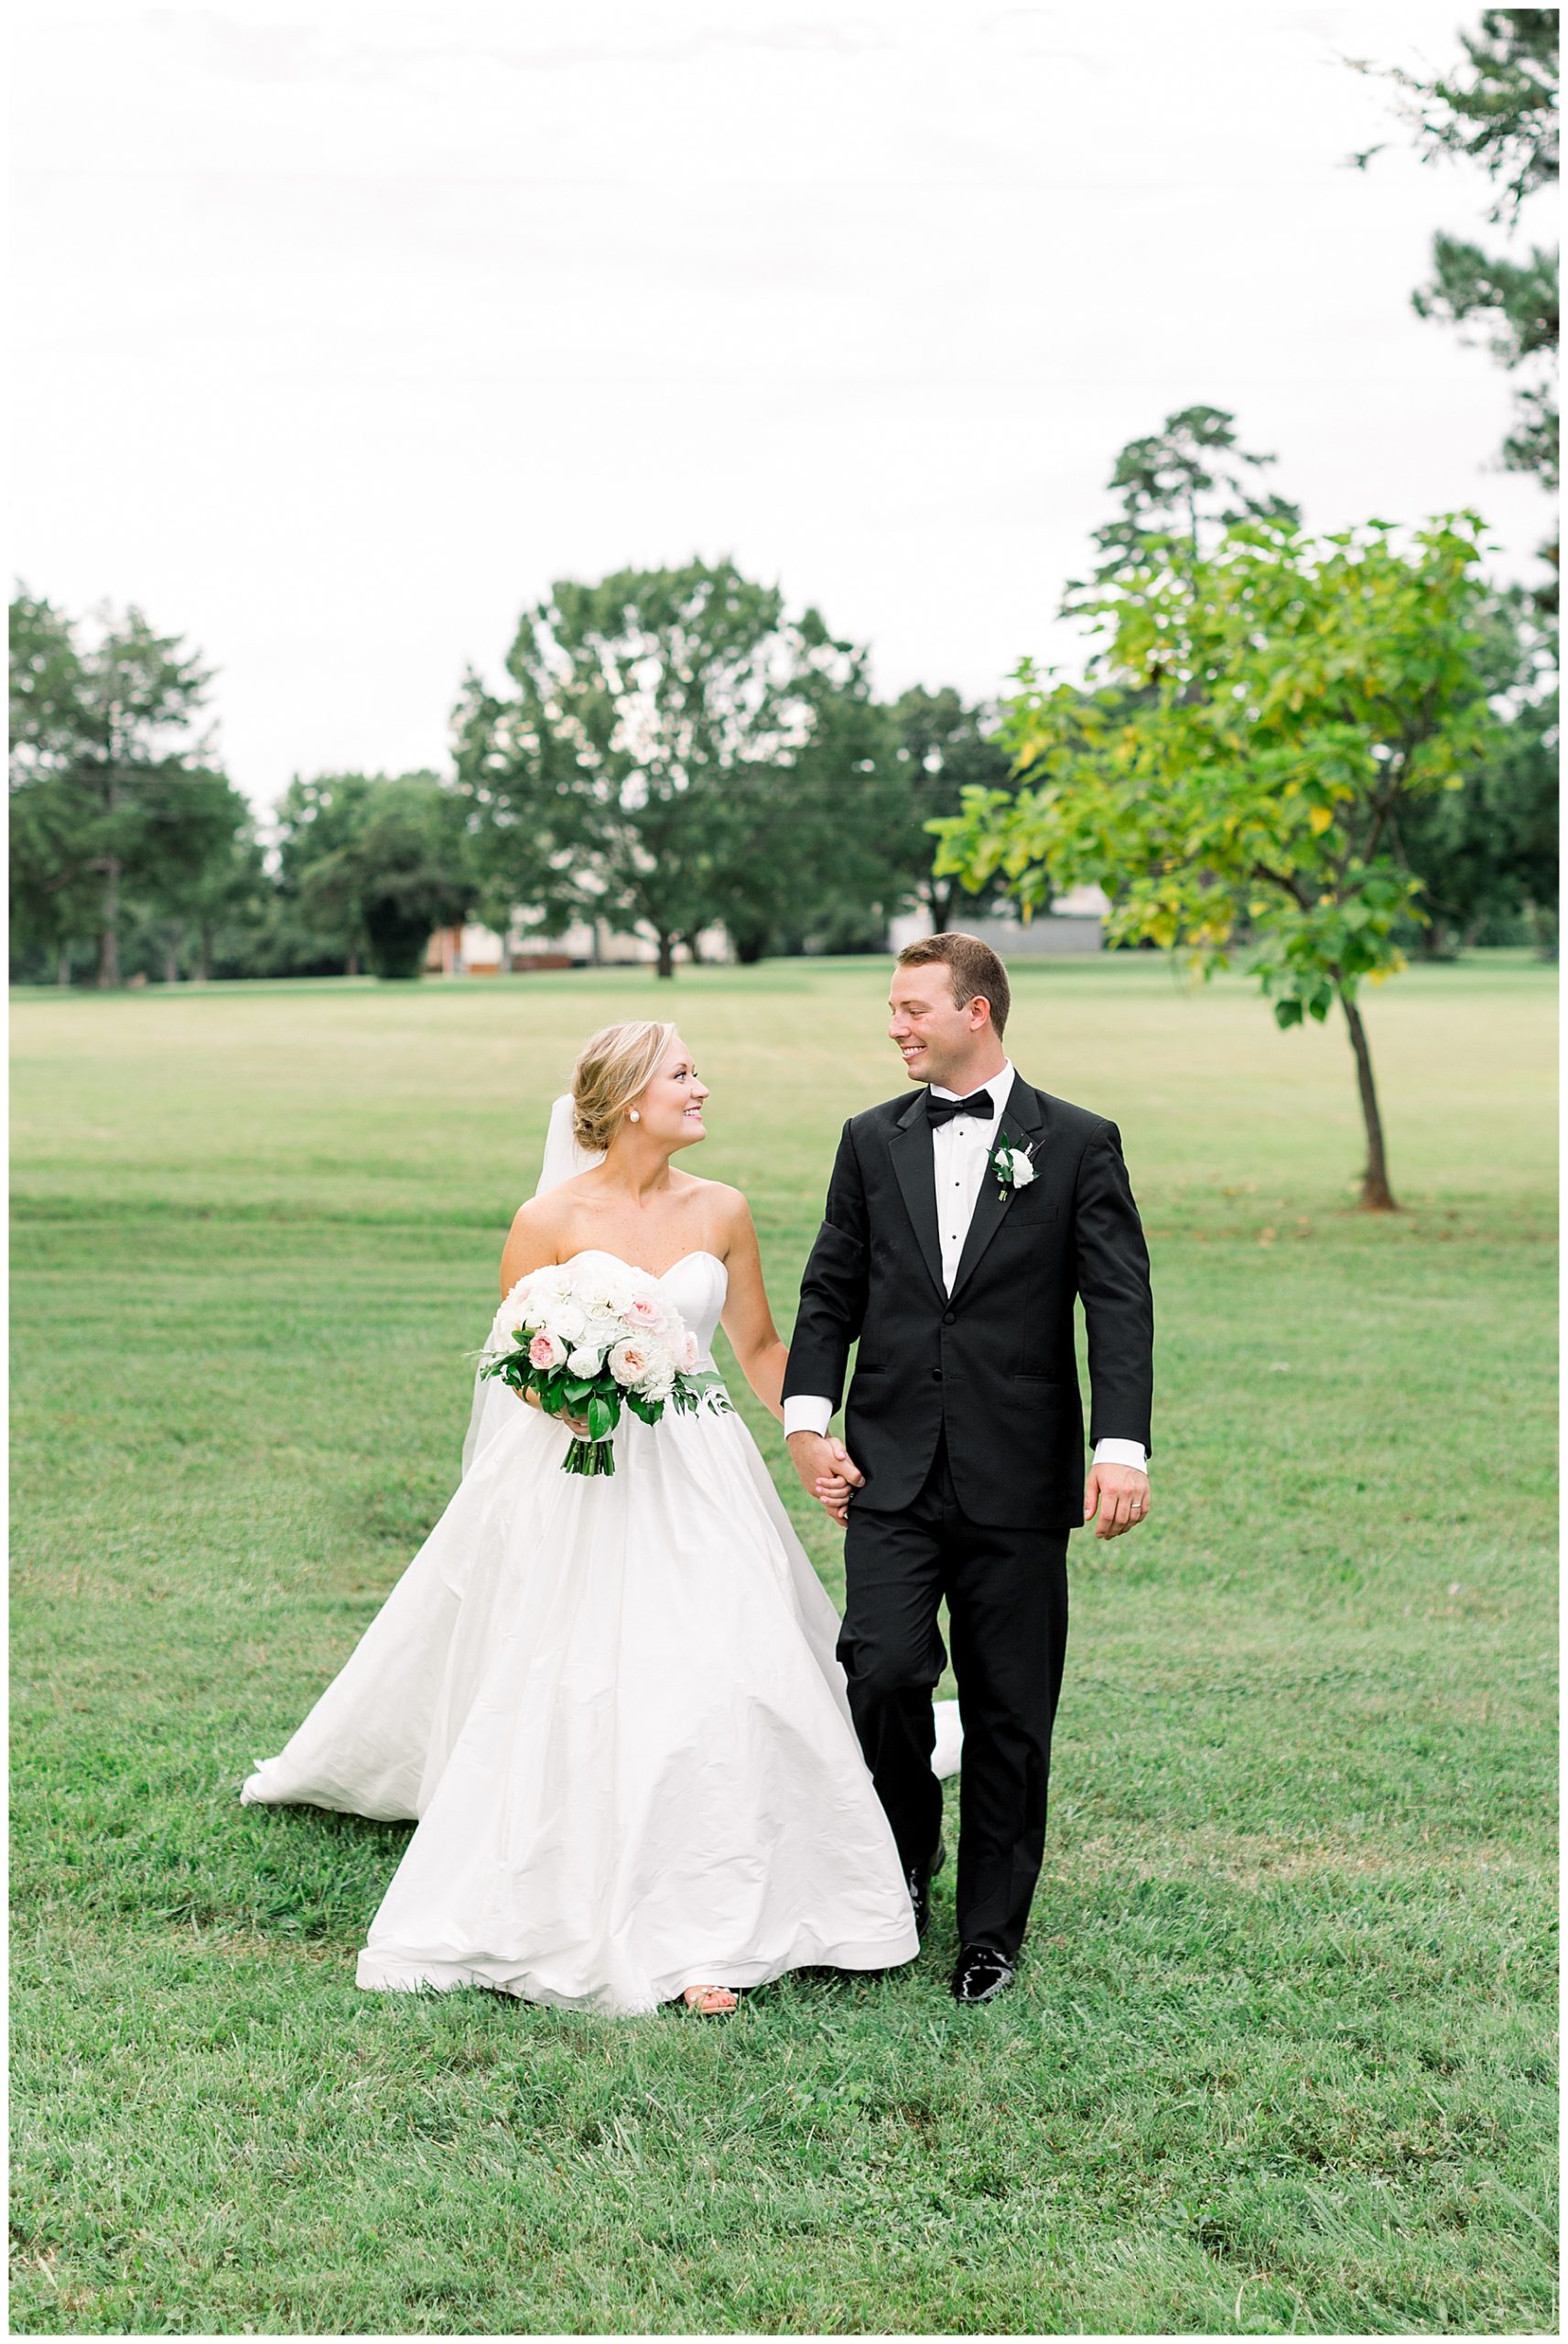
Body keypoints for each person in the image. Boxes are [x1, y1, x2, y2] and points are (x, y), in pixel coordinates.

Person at [241, 1019, 958, 2017]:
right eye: (683, 1074)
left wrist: (807, 1431)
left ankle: (724, 1914)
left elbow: (756, 1343)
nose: (703, 1087)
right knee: (576, 1684)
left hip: (702, 1475)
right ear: (629, 1099)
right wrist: (583, 1391)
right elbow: (515, 1364)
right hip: (582, 1480)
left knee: (728, 1673)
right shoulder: (548, 1218)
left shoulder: (723, 1208)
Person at [783, 934, 1154, 2005]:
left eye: (911, 1008)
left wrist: (1119, 1446)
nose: (894, 1025)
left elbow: (1117, 1302)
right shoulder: (868, 1140)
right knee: (886, 1669)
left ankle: (990, 1931)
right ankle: (904, 1856)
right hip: (889, 1470)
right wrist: (812, 1422)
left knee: (1009, 1709)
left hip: (1020, 1476)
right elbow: (830, 1289)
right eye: (892, 1010)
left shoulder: (1078, 1143)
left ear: (975, 1013)